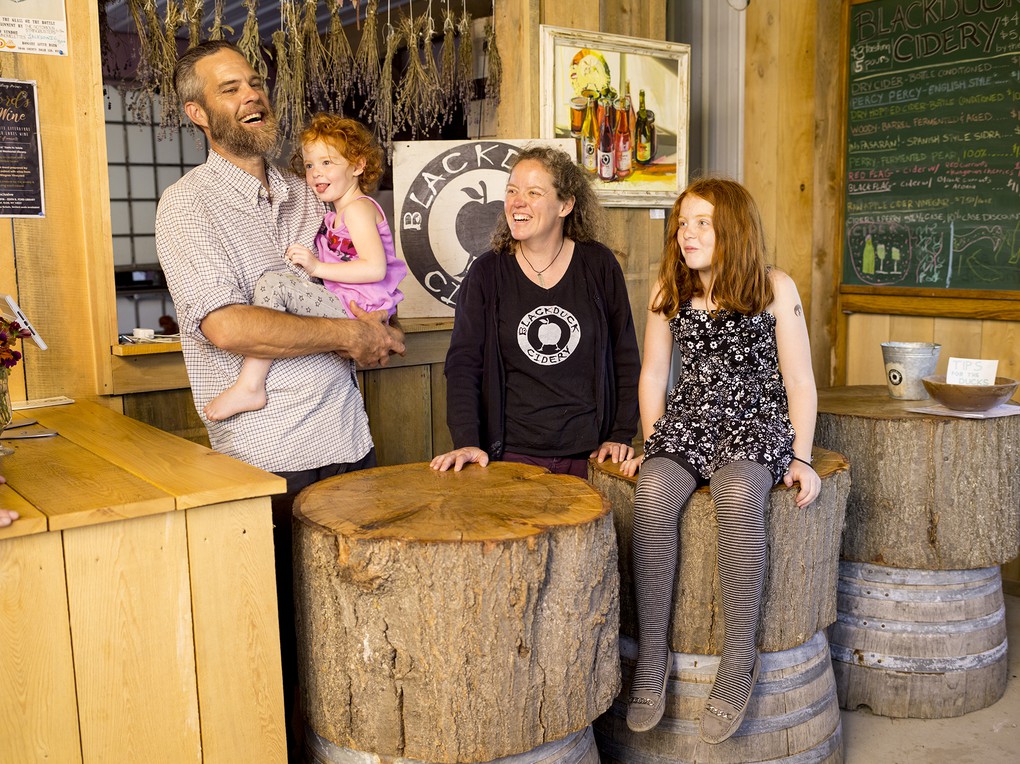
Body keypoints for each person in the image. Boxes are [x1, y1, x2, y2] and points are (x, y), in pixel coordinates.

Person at [154, 39, 404, 758]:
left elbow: (363, 285)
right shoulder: (188, 206)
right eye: (230, 88)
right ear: (199, 113)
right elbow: (226, 324)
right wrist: (346, 334)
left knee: (364, 636)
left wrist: (371, 325)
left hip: (351, 445)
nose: (252, 95)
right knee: (286, 648)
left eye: (255, 81)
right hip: (269, 460)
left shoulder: (311, 190)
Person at [619, 178, 820, 741]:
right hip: (690, 424)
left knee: (736, 493)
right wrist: (654, 439)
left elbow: (799, 381)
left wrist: (801, 457)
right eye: (683, 222)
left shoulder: (773, 288)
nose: (688, 233)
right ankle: (652, 658)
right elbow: (654, 374)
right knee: (653, 492)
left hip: (756, 425)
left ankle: (738, 661)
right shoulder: (671, 289)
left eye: (703, 222)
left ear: (732, 227)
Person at [430, 145, 640, 477]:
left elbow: (625, 355)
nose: (517, 201)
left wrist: (620, 433)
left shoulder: (598, 265)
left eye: (533, 192)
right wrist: (467, 440)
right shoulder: (487, 273)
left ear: (566, 204)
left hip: (590, 455)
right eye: (512, 191)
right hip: (510, 455)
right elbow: (463, 365)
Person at [203, 113, 407, 422]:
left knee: (275, 286)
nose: (315, 173)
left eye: (328, 163)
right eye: (310, 165)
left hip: (357, 308)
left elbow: (375, 269)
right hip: (351, 305)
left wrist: (315, 267)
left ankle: (250, 384)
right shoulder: (334, 213)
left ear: (358, 165)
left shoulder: (358, 209)